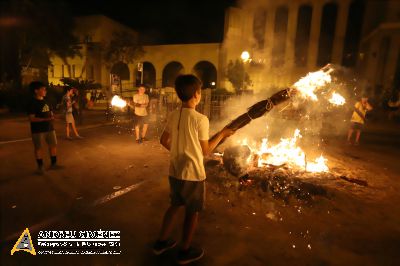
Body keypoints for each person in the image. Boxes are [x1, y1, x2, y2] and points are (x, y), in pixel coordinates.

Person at [152, 75, 235, 264]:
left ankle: (160, 243)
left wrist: (178, 152)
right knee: (192, 212)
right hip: (193, 174)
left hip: (175, 171)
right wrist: (222, 134)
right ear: (197, 94)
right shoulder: (201, 119)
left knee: (175, 205)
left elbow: (164, 141)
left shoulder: (174, 114)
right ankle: (184, 251)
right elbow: (206, 151)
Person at [27, 81, 61, 174]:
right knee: (38, 148)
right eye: (43, 89)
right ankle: (40, 167)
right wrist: (45, 119)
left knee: (53, 146)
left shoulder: (47, 101)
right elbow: (31, 118)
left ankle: (54, 164)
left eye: (45, 89)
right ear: (36, 91)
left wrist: (53, 117)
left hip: (50, 128)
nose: (45, 91)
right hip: (38, 130)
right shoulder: (32, 103)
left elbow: (50, 112)